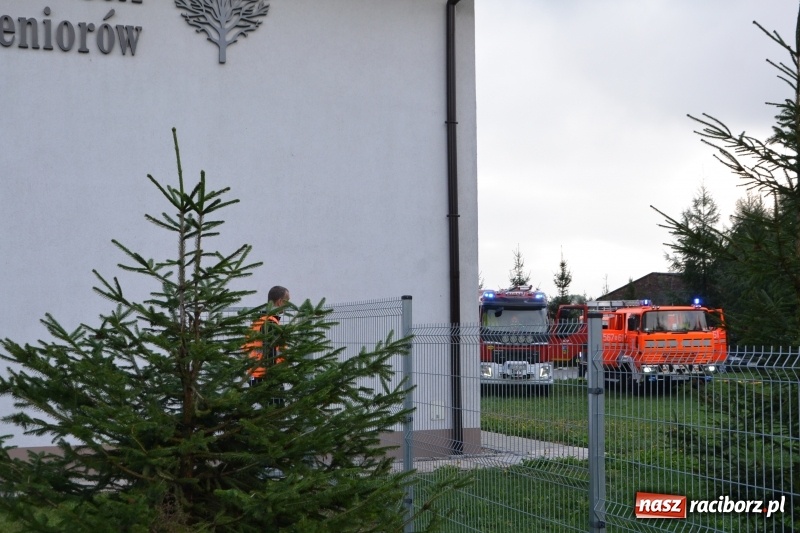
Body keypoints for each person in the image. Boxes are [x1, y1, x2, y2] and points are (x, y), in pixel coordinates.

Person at [245, 285, 290, 387]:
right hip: (268, 376)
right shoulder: (270, 323)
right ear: (280, 302)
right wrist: (274, 374)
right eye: (287, 301)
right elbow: (271, 352)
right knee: (276, 403)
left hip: (254, 373)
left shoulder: (258, 322)